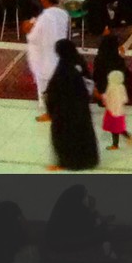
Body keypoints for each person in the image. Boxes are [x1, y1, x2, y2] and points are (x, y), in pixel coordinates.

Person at [42, 38, 98, 170]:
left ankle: (66, 162)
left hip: (65, 112)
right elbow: (86, 83)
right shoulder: (76, 62)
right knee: (81, 134)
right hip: (80, 109)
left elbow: (52, 93)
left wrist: (51, 111)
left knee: (64, 136)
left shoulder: (62, 70)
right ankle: (86, 160)